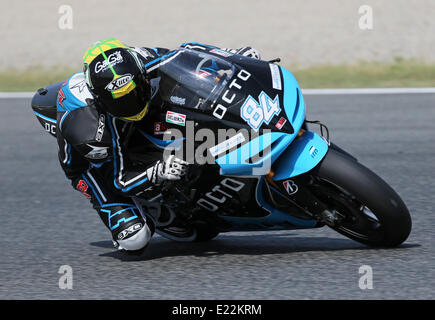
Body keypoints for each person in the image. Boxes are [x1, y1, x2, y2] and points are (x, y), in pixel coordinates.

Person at [56, 38, 261, 253]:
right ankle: (156, 212)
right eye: (119, 102)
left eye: (134, 93)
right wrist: (157, 171)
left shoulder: (145, 59)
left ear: (141, 74)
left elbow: (188, 52)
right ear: (101, 100)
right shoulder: (99, 127)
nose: (131, 104)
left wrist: (233, 55)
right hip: (92, 164)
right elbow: (120, 180)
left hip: (133, 124)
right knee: (135, 239)